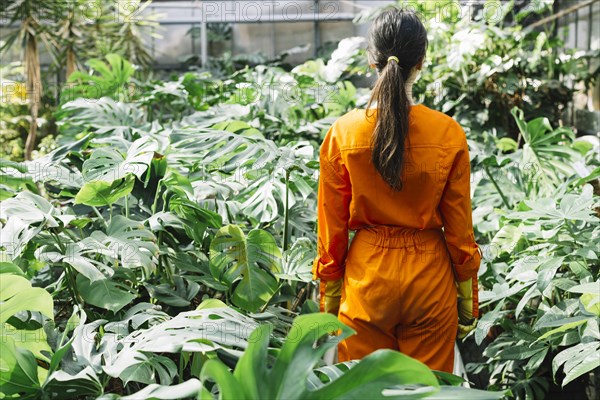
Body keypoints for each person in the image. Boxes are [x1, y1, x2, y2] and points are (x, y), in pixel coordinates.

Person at [311, 7, 482, 373]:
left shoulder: (344, 133)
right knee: (426, 390)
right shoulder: (447, 133)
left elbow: (332, 226)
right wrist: (467, 293)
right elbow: (459, 226)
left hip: (367, 282)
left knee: (363, 390)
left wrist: (330, 295)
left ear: (372, 62)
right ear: (421, 61)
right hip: (430, 281)